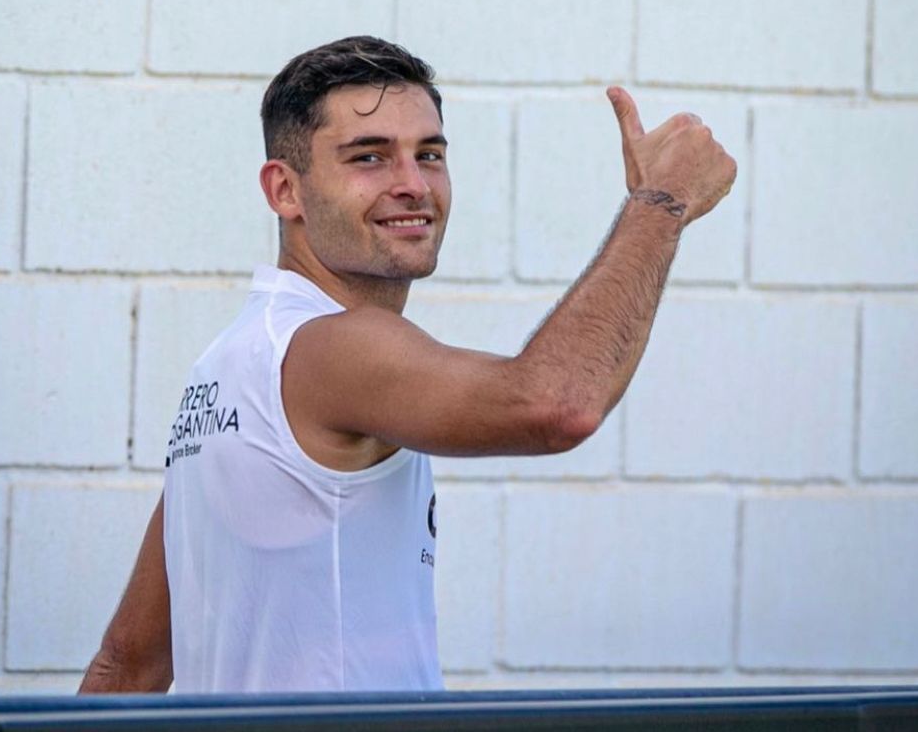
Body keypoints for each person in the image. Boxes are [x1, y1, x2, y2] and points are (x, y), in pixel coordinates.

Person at [79, 35, 736, 694]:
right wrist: (663, 201)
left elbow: (128, 661)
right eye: (369, 157)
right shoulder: (333, 347)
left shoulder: (225, 365)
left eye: (429, 154)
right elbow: (558, 401)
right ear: (286, 190)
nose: (413, 184)